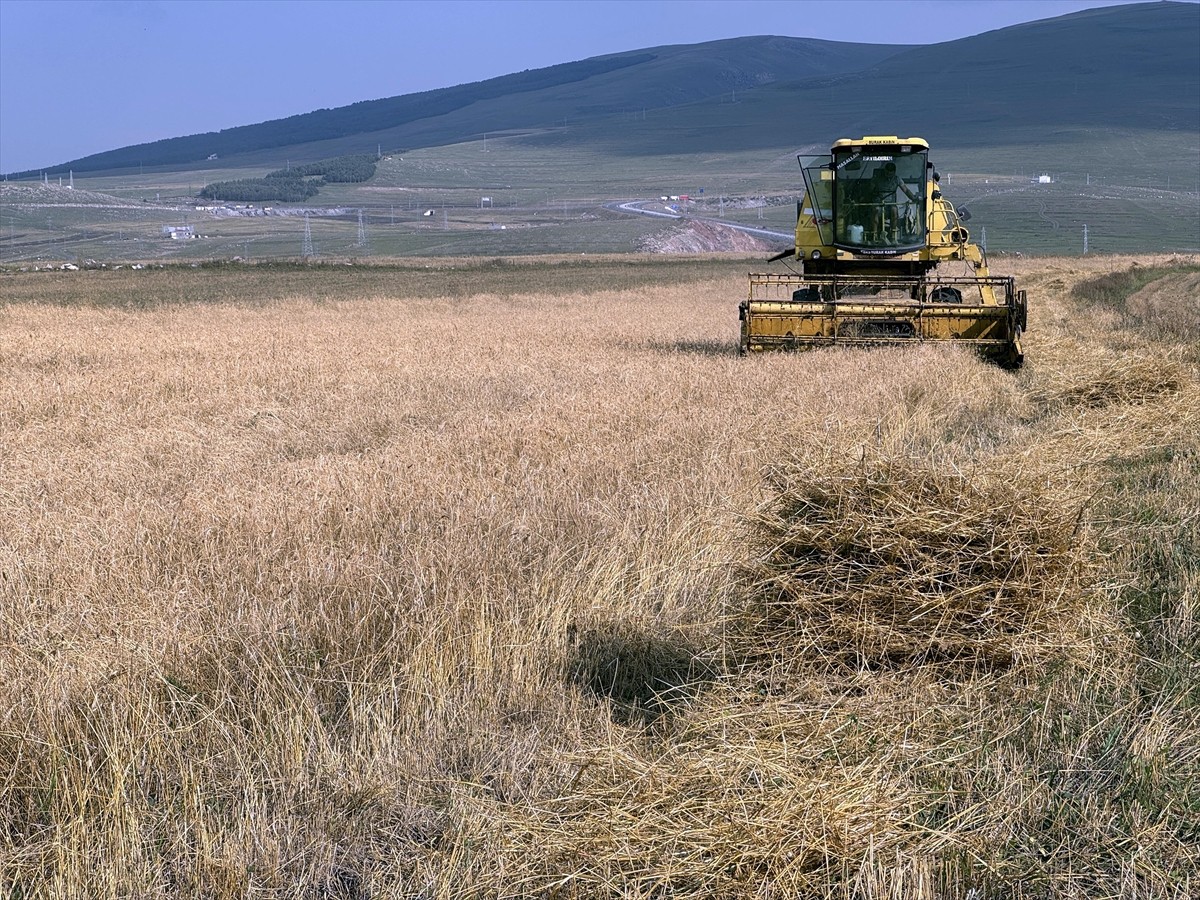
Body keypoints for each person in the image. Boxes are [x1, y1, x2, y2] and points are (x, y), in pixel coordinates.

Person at [869, 162, 918, 244]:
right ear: (885, 171)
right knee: (875, 209)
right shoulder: (877, 179)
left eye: (891, 174)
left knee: (894, 210)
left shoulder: (897, 179)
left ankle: (893, 236)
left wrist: (913, 198)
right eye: (887, 173)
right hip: (878, 203)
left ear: (894, 172)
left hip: (890, 205)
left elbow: (905, 190)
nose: (888, 175)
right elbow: (870, 190)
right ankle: (874, 235)